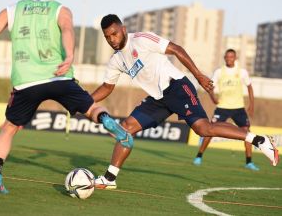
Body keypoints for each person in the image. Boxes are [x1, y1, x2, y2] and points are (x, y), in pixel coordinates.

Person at [0, 0, 133, 194]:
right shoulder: (60, 9)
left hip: (26, 81)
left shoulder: (12, 10)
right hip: (59, 75)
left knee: (9, 128)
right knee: (91, 107)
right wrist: (69, 55)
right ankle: (106, 120)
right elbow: (67, 30)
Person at [92, 14, 279, 190]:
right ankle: (109, 179)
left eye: (114, 34)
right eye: (107, 37)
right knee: (125, 128)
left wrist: (198, 75)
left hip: (177, 87)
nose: (112, 40)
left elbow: (176, 49)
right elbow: (107, 87)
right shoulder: (116, 60)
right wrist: (84, 101)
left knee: (204, 129)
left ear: (123, 29)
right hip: (157, 98)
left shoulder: (141, 39)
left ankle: (259, 140)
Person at [193, 49, 259, 170]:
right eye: (227, 57)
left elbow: (249, 87)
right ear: (224, 58)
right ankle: (199, 156)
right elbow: (210, 86)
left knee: (247, 132)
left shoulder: (242, 72)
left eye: (231, 57)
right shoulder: (219, 71)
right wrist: (212, 97)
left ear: (235, 58)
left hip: (238, 108)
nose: (229, 59)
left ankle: (249, 162)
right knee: (209, 130)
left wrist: (252, 105)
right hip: (222, 107)